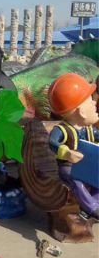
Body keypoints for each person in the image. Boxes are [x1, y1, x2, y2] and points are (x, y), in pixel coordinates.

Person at [48, 73, 99, 220]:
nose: (94, 103)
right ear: (81, 111)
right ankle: (91, 207)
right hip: (68, 167)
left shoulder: (89, 129)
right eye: (90, 100)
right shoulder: (62, 129)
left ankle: (93, 202)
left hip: (88, 164)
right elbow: (52, 143)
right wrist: (66, 153)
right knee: (76, 180)